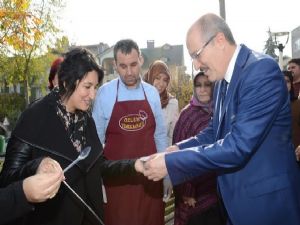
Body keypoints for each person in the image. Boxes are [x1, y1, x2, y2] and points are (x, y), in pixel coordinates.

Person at [143, 13, 300, 225]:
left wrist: (173, 163)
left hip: (266, 207)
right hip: (234, 206)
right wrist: (179, 148)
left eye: (197, 54)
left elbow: (237, 146)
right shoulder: (222, 81)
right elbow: (214, 131)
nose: (197, 65)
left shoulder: (260, 71)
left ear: (219, 40)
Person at [0, 47, 143, 225]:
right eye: (87, 87)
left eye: (95, 87)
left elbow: (99, 167)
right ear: (67, 83)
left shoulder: (86, 119)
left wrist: (135, 165)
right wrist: (36, 166)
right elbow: (7, 180)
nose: (93, 95)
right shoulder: (34, 117)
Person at [92, 39, 168, 225]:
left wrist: (167, 173)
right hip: (117, 183)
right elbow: (95, 143)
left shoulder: (151, 94)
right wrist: (96, 179)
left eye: (133, 65)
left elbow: (159, 136)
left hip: (150, 180)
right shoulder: (105, 94)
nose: (129, 72)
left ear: (141, 60)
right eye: (123, 66)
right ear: (115, 66)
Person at [172, 71, 223, 225]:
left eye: (207, 85)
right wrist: (185, 192)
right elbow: (179, 156)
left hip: (219, 188)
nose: (202, 89)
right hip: (194, 192)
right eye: (198, 85)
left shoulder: (221, 112)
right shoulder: (187, 115)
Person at [143, 60, 179, 146]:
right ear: (151, 77)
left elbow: (172, 136)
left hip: (161, 155)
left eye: (165, 80)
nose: (161, 84)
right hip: (140, 155)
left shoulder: (172, 103)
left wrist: (164, 155)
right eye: (157, 78)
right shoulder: (139, 99)